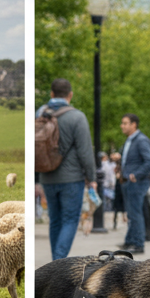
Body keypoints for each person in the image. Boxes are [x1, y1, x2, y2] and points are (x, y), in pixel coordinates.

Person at [35, 78, 95, 260]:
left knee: (55, 221)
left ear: (51, 94)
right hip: (71, 178)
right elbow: (85, 151)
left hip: (47, 176)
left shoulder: (40, 113)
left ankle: (56, 262)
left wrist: (37, 178)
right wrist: (91, 178)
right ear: (70, 95)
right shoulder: (77, 117)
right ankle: (58, 261)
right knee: (70, 220)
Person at [117, 113, 150, 253]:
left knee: (135, 213)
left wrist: (136, 175)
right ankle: (130, 241)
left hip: (137, 183)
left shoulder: (141, 140)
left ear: (134, 124)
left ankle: (139, 244)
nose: (122, 126)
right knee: (131, 213)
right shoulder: (129, 140)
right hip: (127, 182)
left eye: (125, 123)